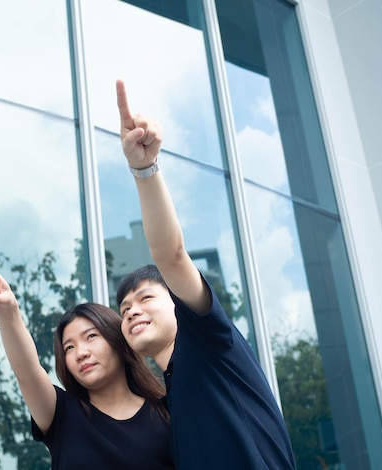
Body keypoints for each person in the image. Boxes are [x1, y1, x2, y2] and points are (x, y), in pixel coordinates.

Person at [115, 79, 297, 469]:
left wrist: (144, 169)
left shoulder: (208, 344)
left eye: (145, 298)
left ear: (179, 306)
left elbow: (172, 255)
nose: (130, 311)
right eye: (125, 307)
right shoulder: (170, 402)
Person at [0, 248, 174, 469]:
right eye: (69, 347)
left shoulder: (167, 414)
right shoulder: (62, 414)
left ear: (119, 341)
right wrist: (7, 310)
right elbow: (27, 372)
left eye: (91, 336)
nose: (81, 353)